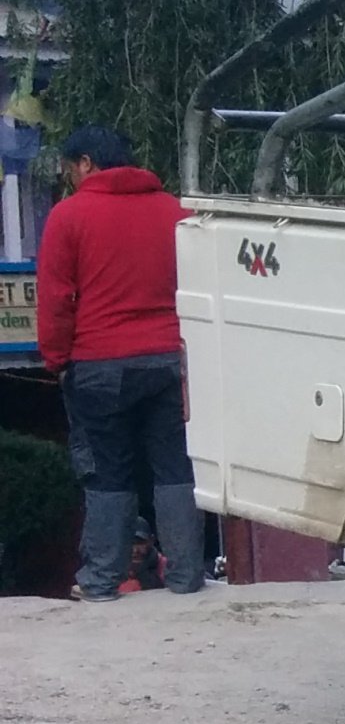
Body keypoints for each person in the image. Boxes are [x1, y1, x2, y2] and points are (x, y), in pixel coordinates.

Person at [35, 125, 204, 599]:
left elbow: (55, 298)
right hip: (171, 360)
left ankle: (101, 580)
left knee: (108, 471)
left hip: (99, 364)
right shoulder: (176, 212)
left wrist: (55, 358)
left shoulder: (69, 217)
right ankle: (187, 577)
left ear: (86, 163)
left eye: (70, 169)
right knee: (176, 466)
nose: (69, 179)